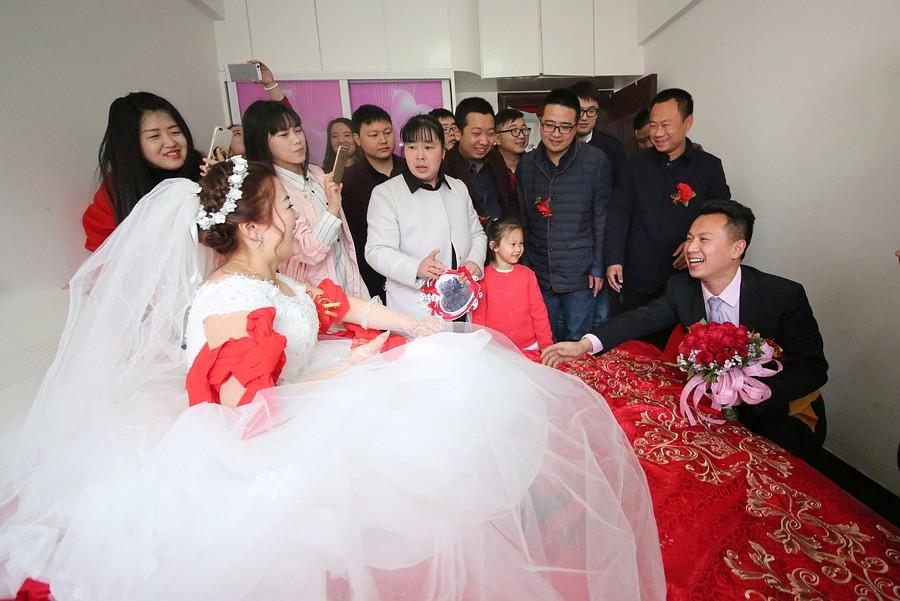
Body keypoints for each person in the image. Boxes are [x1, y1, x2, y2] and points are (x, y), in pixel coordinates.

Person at [0, 158, 665, 601]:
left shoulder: (278, 280)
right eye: (284, 208)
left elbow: (348, 307)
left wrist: (419, 327)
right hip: (257, 442)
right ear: (253, 227)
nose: (298, 215)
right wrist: (345, 371)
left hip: (310, 391)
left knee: (449, 364)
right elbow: (240, 411)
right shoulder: (228, 302)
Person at [544, 199, 828, 463]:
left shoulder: (782, 295)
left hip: (778, 408)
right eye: (690, 238)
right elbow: (639, 319)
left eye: (704, 240)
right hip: (714, 408)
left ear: (736, 248)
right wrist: (584, 345)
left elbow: (813, 369)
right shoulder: (681, 288)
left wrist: (750, 394)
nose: (691, 248)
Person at [605, 88, 731, 347]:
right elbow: (618, 213)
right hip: (639, 276)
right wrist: (614, 259)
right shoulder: (634, 166)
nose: (658, 133)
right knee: (637, 348)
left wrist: (696, 244)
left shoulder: (708, 167)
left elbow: (721, 216)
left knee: (684, 349)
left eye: (666, 125)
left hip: (688, 276)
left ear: (688, 122)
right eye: (653, 125)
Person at [242, 100, 368, 298]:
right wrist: (332, 209)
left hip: (349, 281)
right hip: (314, 295)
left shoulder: (317, 173)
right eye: (284, 135)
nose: (296, 140)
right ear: (262, 142)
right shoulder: (270, 191)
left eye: (298, 130)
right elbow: (307, 251)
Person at [366, 115, 487, 318]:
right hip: (414, 308)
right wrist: (416, 267)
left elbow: (477, 234)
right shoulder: (386, 194)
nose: (420, 156)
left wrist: (474, 261)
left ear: (443, 152)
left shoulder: (458, 188)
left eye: (429, 147)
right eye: (412, 147)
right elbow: (376, 251)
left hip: (461, 301)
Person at [517, 88, 612, 342]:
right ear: (540, 121)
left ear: (576, 126)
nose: (556, 134)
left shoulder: (595, 161)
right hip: (540, 270)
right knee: (543, 340)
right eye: (549, 125)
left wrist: (597, 267)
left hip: (581, 274)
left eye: (565, 127)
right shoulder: (527, 164)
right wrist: (526, 267)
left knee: (577, 341)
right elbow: (523, 218)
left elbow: (601, 218)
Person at [82, 92, 202, 251]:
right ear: (131, 144)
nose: (170, 142)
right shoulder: (117, 190)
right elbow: (101, 247)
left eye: (175, 132)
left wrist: (220, 180)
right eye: (155, 136)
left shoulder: (205, 169)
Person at [341, 105, 406, 302]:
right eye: (374, 135)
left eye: (388, 132)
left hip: (414, 266)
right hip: (372, 273)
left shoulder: (410, 169)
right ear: (357, 138)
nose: (383, 140)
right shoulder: (349, 181)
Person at [471, 217, 553, 356]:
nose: (518, 249)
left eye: (521, 243)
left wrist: (546, 346)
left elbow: (539, 313)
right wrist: (480, 347)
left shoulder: (528, 275)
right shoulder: (483, 277)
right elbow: (479, 318)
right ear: (494, 246)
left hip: (529, 348)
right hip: (496, 350)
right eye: (513, 244)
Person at [442, 97, 516, 220]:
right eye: (476, 133)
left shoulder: (496, 159)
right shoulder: (445, 167)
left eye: (490, 133)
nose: (484, 141)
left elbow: (509, 203)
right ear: (457, 133)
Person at [227, 60, 288, 157]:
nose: (247, 135)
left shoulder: (274, 160)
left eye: (248, 131)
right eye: (237, 133)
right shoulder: (224, 167)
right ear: (228, 150)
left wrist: (270, 84)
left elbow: (285, 120)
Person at [569, 81, 626, 186]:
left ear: (597, 113)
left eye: (591, 111)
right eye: (579, 111)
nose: (584, 117)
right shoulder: (557, 143)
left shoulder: (613, 147)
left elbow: (621, 187)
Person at [493, 108, 530, 188]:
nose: (522, 136)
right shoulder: (487, 166)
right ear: (497, 138)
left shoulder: (533, 164)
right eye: (514, 130)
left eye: (524, 129)